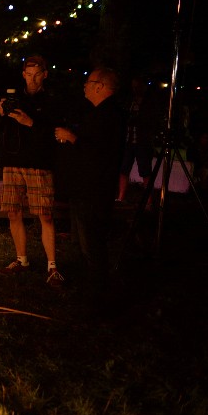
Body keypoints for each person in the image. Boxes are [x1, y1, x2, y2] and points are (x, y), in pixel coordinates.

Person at [0, 55, 65, 288]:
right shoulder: (14, 98)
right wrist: (1, 113)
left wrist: (30, 123)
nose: (32, 79)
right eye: (28, 74)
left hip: (38, 163)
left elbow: (54, 133)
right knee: (13, 212)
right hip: (12, 161)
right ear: (23, 74)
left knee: (44, 214)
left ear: (45, 74)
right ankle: (21, 259)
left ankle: (52, 266)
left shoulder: (52, 100)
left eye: (37, 74)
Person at [54, 67, 126, 297]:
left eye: (88, 81)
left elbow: (100, 153)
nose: (84, 85)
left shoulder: (110, 115)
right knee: (84, 243)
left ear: (100, 86)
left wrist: (72, 138)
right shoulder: (98, 113)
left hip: (94, 191)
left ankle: (99, 297)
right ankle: (89, 289)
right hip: (85, 189)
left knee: (92, 244)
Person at [118, 74, 161, 202]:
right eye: (133, 86)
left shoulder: (149, 102)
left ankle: (148, 200)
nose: (135, 89)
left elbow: (151, 120)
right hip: (128, 140)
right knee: (123, 169)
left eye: (137, 86)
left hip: (142, 141)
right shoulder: (129, 100)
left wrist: (137, 120)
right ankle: (121, 197)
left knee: (145, 171)